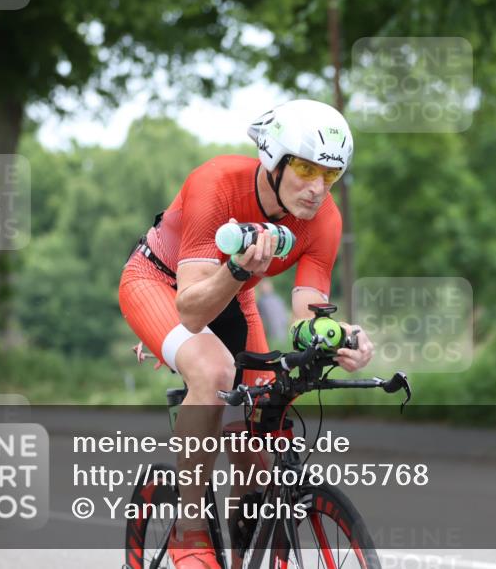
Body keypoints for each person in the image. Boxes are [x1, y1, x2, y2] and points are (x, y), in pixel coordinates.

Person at [118, 99, 374, 569]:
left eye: (331, 175)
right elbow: (191, 311)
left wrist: (340, 336)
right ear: (273, 159)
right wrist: (237, 269)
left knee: (257, 432)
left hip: (235, 297)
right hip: (158, 283)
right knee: (213, 371)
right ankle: (189, 532)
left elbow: (307, 312)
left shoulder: (325, 219)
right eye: (305, 168)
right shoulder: (216, 182)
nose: (318, 189)